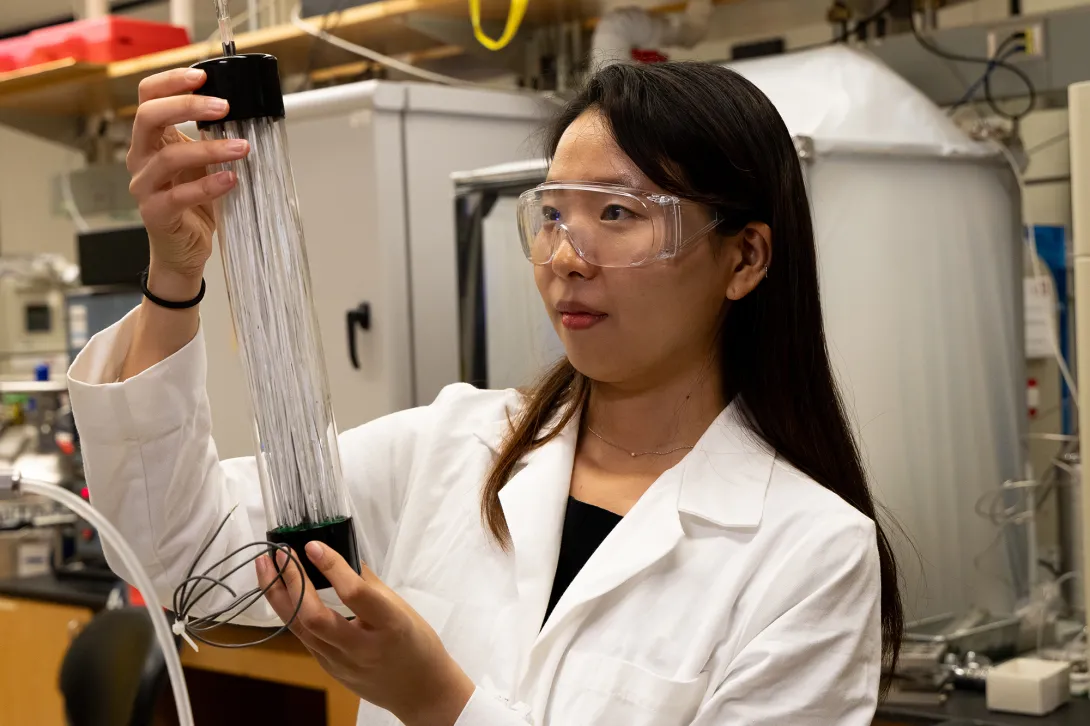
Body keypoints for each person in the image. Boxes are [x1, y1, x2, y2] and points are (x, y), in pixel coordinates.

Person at [69, 61, 903, 725]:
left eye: (617, 214)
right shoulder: (450, 449)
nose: (566, 256)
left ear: (745, 258)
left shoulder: (811, 553)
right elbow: (178, 553)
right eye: (553, 214)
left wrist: (440, 704)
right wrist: (175, 275)